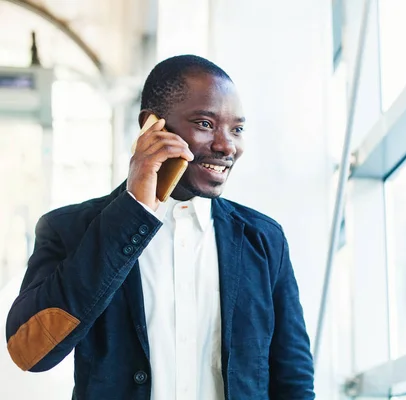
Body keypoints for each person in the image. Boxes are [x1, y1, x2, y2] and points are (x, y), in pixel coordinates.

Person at [5, 55, 315, 400]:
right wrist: (132, 212)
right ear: (152, 126)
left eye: (237, 129)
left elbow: (294, 380)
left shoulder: (263, 239)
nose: (227, 146)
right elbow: (29, 352)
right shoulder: (70, 229)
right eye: (205, 123)